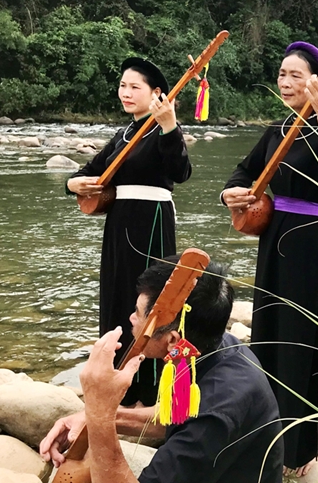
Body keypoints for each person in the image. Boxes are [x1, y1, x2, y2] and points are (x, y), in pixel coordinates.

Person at [221, 41, 318, 477]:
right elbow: (245, 171)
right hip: (273, 236)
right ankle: (265, 427)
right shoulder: (277, 129)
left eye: (295, 75)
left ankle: (299, 446)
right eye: (281, 74)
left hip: (308, 240)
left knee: (300, 335)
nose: (284, 82)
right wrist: (231, 192)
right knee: (269, 328)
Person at [40, 257, 284, 483]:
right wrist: (94, 419)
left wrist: (99, 411)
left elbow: (198, 422)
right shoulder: (210, 347)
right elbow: (175, 416)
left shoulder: (215, 415)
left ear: (171, 339)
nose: (131, 318)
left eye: (137, 312)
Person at [66, 58, 192, 406]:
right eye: (123, 85)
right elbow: (90, 171)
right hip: (119, 222)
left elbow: (181, 171)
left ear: (156, 94)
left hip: (151, 219)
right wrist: (71, 183)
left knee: (148, 298)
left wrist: (170, 127)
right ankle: (116, 382)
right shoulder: (122, 134)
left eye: (135, 87)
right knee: (117, 294)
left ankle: (147, 391)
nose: (126, 92)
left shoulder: (162, 130)